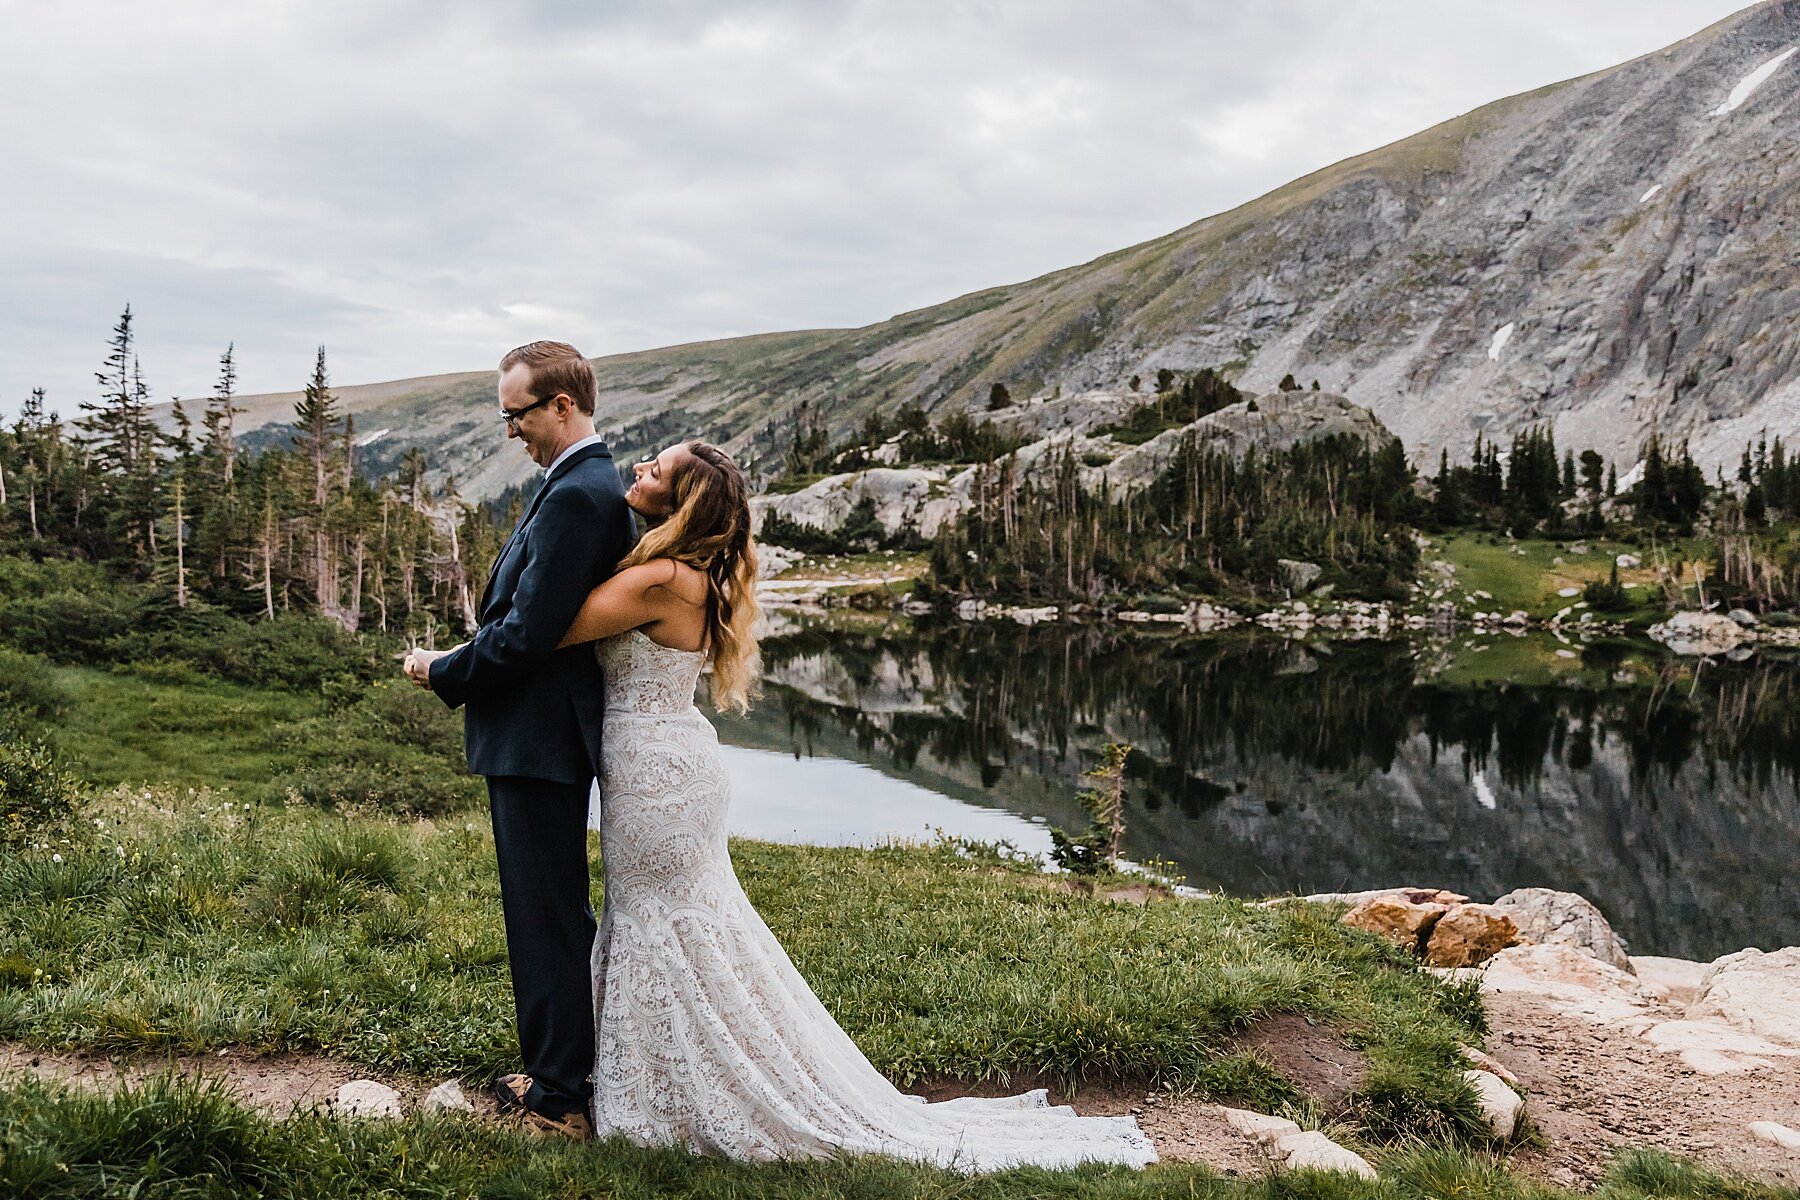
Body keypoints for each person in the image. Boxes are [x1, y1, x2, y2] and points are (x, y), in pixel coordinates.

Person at [554, 439, 1157, 1170]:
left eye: (659, 470)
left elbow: (554, 625)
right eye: (649, 459)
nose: (640, 468)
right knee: (675, 922)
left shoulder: (659, 578)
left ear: (680, 506)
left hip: (656, 773)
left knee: (660, 922)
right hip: (667, 763)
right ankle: (659, 1079)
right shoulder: (691, 571)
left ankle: (669, 1096)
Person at [403, 341, 633, 1141]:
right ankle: (552, 1069)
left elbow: (528, 634)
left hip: (541, 736)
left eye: (517, 413)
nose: (511, 430)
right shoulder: (575, 484)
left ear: (560, 406)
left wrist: (445, 670)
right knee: (543, 909)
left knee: (547, 914)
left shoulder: (579, 494)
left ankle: (562, 1096)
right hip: (539, 734)